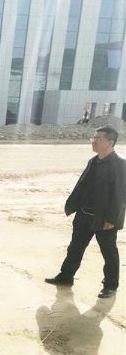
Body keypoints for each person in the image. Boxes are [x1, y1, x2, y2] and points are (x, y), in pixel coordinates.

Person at [45, 126, 126, 298]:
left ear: (110, 142)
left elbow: (120, 195)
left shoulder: (120, 164)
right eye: (93, 138)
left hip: (104, 219)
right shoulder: (93, 161)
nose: (93, 141)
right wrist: (73, 205)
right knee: (75, 247)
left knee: (109, 253)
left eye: (98, 139)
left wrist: (111, 219)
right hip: (84, 214)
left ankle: (110, 285)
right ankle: (66, 276)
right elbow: (83, 186)